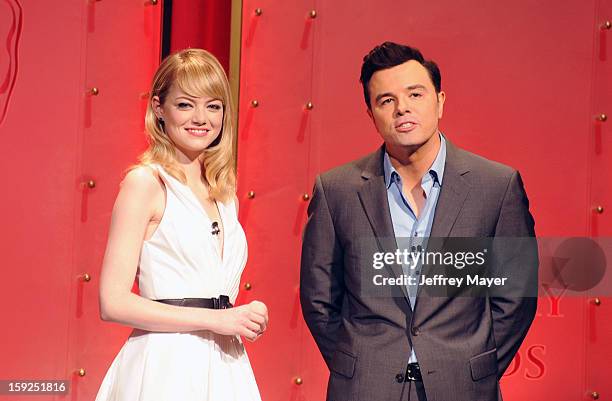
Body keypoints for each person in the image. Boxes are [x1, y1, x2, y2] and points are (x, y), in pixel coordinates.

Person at [300, 42, 537, 401]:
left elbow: (516, 296)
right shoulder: (337, 191)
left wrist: (473, 367)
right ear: (370, 113)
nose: (402, 109)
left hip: (462, 388)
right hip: (365, 388)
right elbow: (319, 300)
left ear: (440, 100)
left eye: (415, 93)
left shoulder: (496, 186)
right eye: (386, 100)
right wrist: (359, 365)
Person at [95, 48, 267, 401]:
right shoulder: (146, 183)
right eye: (186, 104)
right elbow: (112, 302)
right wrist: (217, 320)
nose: (201, 118)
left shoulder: (224, 193)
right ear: (159, 108)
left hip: (225, 365)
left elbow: (215, 291)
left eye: (213, 106)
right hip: (165, 367)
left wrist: (245, 315)